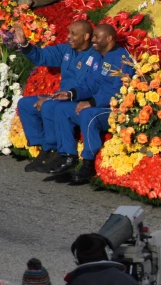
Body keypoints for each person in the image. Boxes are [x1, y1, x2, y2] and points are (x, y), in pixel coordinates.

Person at [49, 24, 133, 183]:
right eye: (93, 36)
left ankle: (87, 164)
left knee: (88, 113)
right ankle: (68, 157)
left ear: (108, 39)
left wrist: (92, 102)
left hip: (113, 110)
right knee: (62, 109)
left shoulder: (122, 59)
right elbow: (90, 84)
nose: (92, 40)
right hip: (96, 105)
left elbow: (119, 93)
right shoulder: (98, 56)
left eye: (96, 37)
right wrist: (71, 93)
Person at [15, 20, 98, 173]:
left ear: (86, 36)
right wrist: (25, 44)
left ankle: (53, 150)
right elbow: (42, 56)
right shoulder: (66, 50)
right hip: (60, 97)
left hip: (75, 100)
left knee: (49, 105)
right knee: (25, 104)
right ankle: (44, 151)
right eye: (68, 32)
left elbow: (88, 87)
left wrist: (51, 98)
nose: (68, 37)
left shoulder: (95, 56)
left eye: (73, 34)